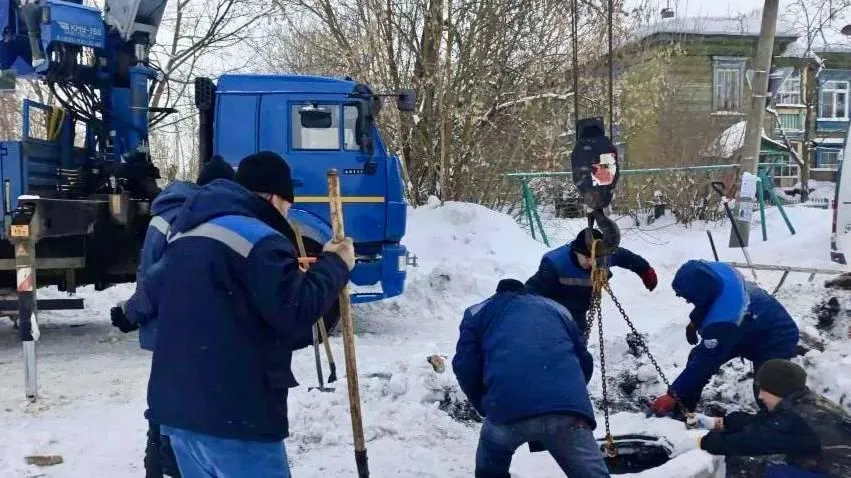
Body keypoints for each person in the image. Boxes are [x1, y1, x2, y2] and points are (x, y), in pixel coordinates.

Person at [141, 151, 354, 477]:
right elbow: (295, 311)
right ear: (272, 197)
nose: (287, 213)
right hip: (235, 417)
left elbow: (152, 295)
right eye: (287, 204)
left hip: (179, 418)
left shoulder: (187, 232)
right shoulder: (259, 238)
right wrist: (335, 265)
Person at [109, 155, 235, 478]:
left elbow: (150, 274)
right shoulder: (203, 218)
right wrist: (133, 311)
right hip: (187, 329)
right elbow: (156, 277)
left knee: (168, 413)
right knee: (178, 418)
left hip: (172, 331)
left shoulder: (170, 214)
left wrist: (131, 313)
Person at [452, 278, 610, 478]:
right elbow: (584, 361)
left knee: (489, 468)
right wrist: (566, 396)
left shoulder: (477, 312)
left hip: (507, 409)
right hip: (568, 413)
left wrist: (485, 405)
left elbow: (465, 365)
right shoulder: (558, 309)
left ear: (497, 294)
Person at [650, 260, 800, 416]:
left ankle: (781, 425)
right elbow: (707, 301)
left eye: (690, 297)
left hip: (776, 336)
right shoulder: (717, 273)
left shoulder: (725, 318)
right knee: (696, 356)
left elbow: (705, 363)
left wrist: (673, 394)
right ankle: (684, 409)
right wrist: (694, 321)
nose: (688, 301)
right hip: (750, 324)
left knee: (767, 391)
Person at [694, 359, 851, 478]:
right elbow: (765, 424)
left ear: (777, 389)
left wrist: (702, 441)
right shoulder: (803, 402)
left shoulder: (796, 419)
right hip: (833, 466)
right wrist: (728, 422)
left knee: (749, 466)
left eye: (763, 390)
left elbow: (751, 441)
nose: (760, 396)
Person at [525, 227, 657, 331]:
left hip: (579, 310)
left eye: (594, 259)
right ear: (576, 251)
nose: (591, 262)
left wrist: (645, 270)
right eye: (587, 258)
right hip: (556, 312)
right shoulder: (555, 264)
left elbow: (625, 256)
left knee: (578, 342)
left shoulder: (603, 256)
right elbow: (534, 290)